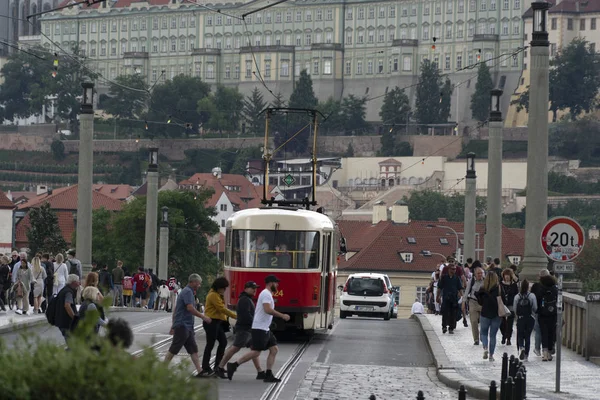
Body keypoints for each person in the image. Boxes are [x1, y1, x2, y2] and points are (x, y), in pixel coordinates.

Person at [227, 275, 290, 382]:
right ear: (271, 283)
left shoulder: (268, 294)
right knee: (256, 352)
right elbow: (267, 309)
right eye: (276, 283)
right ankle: (234, 365)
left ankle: (268, 374)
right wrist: (282, 315)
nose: (277, 285)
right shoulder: (265, 294)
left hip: (265, 328)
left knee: (274, 349)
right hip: (259, 328)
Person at [164, 273, 212, 377]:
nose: (199, 286)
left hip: (187, 326)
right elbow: (190, 308)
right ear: (193, 282)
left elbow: (176, 309)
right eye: (198, 283)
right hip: (182, 325)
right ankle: (162, 370)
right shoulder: (188, 292)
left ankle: (199, 371)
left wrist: (173, 324)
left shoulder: (188, 292)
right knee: (174, 348)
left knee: (193, 349)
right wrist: (203, 317)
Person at [216, 281, 265, 380]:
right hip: (244, 329)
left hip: (248, 329)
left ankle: (260, 371)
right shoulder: (244, 300)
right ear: (246, 289)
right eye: (252, 288)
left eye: (255, 288)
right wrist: (256, 323)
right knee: (235, 348)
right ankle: (220, 367)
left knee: (254, 349)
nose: (255, 290)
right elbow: (246, 315)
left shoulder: (247, 299)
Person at [202, 277, 238, 377]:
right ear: (219, 287)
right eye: (224, 288)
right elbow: (221, 309)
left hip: (216, 322)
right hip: (211, 322)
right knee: (210, 344)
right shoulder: (213, 295)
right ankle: (206, 367)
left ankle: (218, 366)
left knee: (223, 342)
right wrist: (235, 316)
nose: (224, 290)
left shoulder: (217, 294)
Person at [531, 269, 558, 361]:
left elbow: (536, 301)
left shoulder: (540, 289)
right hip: (553, 314)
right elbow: (559, 301)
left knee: (543, 333)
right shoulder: (555, 289)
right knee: (551, 333)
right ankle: (550, 352)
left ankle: (545, 353)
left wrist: (536, 311)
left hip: (542, 314)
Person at [476, 271, 502, 362]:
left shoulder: (483, 288)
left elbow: (480, 302)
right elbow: (504, 301)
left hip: (485, 313)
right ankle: (491, 355)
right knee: (493, 335)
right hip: (496, 314)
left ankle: (485, 348)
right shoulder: (499, 288)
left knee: (483, 333)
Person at [513, 279, 537, 362]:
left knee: (520, 335)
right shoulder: (532, 296)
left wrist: (518, 317)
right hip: (530, 318)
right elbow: (535, 308)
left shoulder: (517, 296)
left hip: (521, 318)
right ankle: (526, 354)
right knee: (527, 336)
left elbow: (515, 309)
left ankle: (521, 347)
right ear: (528, 287)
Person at [437, 263, 463, 334]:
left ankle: (451, 328)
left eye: (455, 269)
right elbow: (439, 287)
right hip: (446, 297)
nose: (454, 270)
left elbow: (460, 288)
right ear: (449, 269)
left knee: (453, 313)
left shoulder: (457, 278)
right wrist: (438, 296)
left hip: (454, 298)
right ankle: (444, 326)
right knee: (445, 313)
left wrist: (462, 296)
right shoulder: (444, 277)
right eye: (452, 269)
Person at [54, 274, 81, 342]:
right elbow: (67, 305)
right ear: (73, 282)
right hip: (66, 322)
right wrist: (74, 318)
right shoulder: (68, 292)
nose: (79, 283)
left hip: (61, 321)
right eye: (78, 281)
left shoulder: (64, 290)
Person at [462, 264, 485, 345]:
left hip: (483, 303)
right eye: (478, 273)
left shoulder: (486, 281)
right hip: (473, 302)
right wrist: (463, 303)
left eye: (481, 273)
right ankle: (476, 339)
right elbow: (467, 291)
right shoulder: (471, 281)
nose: (480, 275)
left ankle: (483, 335)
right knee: (474, 321)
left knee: (483, 321)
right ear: (475, 274)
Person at [500, 268, 519, 346]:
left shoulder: (514, 285)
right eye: (505, 275)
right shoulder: (500, 284)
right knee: (502, 323)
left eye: (508, 275)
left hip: (511, 305)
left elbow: (516, 295)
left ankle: (508, 338)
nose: (507, 277)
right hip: (502, 305)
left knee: (510, 323)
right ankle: (504, 335)